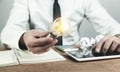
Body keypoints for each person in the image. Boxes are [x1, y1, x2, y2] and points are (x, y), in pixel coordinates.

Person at [1, 0, 120, 55]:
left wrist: (117, 37)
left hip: (73, 56)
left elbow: (112, 26)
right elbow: (8, 32)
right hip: (40, 55)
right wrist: (23, 38)